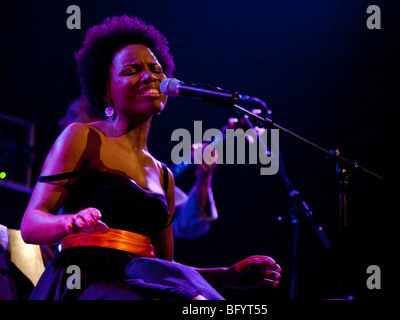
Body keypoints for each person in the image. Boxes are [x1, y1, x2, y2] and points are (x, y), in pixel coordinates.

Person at [20, 15, 281, 300]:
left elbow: (164, 271)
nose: (150, 76)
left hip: (139, 286)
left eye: (156, 69)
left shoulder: (163, 176)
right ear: (106, 91)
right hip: (84, 284)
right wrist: (69, 222)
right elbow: (31, 225)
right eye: (132, 70)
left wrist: (229, 275)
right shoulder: (82, 136)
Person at [59, 95, 218, 240]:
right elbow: (39, 218)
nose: (62, 122)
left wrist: (204, 179)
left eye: (73, 116)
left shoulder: (151, 172)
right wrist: (48, 237)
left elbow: (189, 226)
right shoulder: (65, 163)